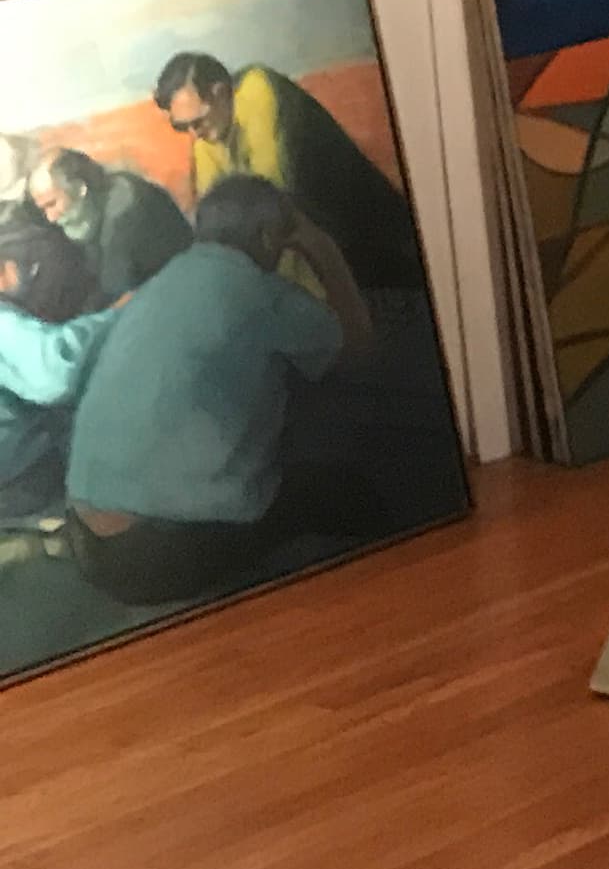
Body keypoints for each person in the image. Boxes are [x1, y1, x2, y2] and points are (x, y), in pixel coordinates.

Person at [58, 175, 370, 605]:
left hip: (84, 536)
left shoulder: (157, 287)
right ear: (267, 236)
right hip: (156, 553)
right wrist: (321, 247)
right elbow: (358, 346)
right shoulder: (263, 295)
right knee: (349, 494)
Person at [154, 49, 426, 294]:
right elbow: (214, 228)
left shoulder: (257, 90)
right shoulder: (207, 141)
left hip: (376, 241)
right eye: (182, 127)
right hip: (329, 260)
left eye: (198, 121)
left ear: (221, 92)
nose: (194, 134)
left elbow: (272, 199)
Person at [0, 211, 115, 518]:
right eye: (28, 267)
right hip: (17, 482)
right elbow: (55, 372)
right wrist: (117, 314)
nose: (34, 274)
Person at [29, 144, 194, 302]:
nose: (50, 217)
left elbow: (119, 297)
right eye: (43, 209)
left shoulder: (123, 211)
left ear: (80, 188)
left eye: (52, 204)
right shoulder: (95, 204)